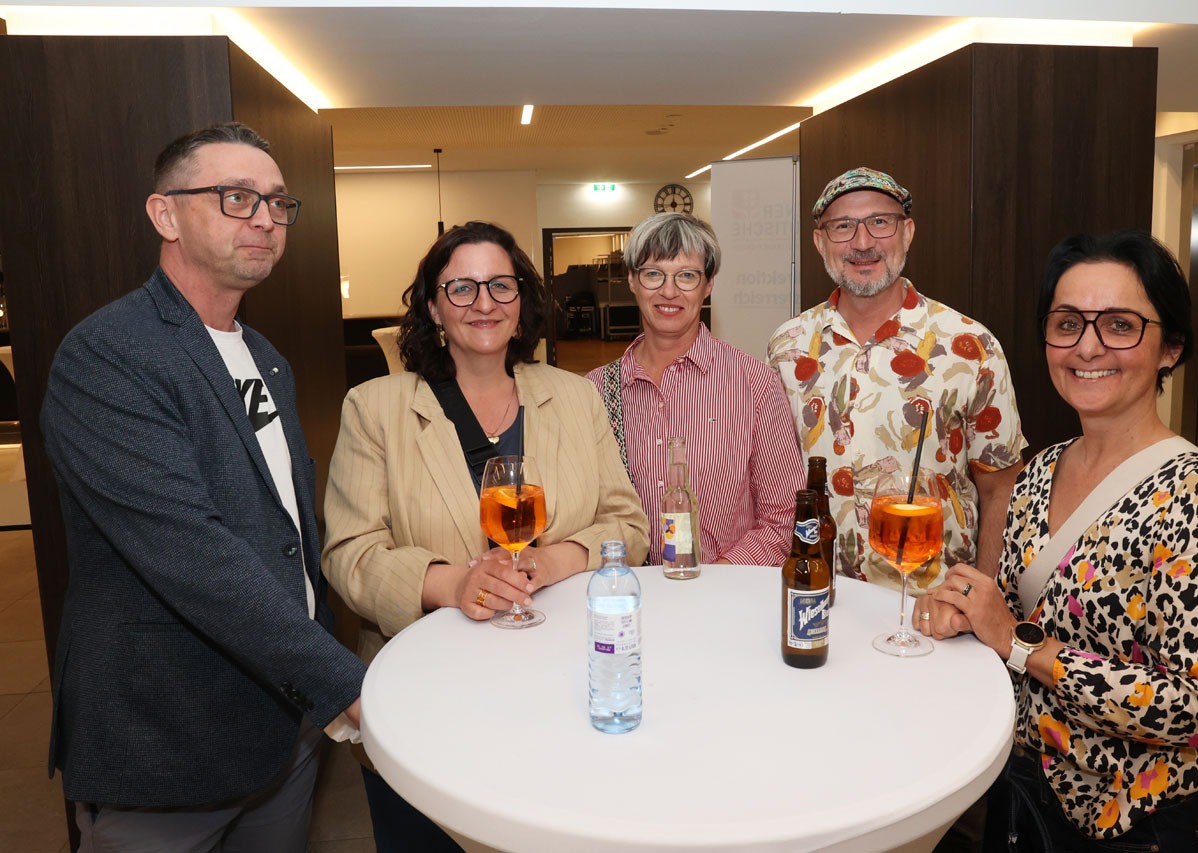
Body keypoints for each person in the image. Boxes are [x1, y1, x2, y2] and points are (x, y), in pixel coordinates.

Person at [40, 122, 366, 850]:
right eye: (236, 197)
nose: (265, 219)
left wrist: (315, 686)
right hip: (168, 735)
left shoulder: (266, 357)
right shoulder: (110, 353)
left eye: (277, 202)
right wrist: (345, 682)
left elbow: (286, 533)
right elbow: (191, 553)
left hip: (284, 730)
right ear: (165, 214)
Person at [916, 230, 1198, 851]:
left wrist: (1017, 642)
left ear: (1170, 348)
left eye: (1120, 325)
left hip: (1134, 820)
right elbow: (1015, 618)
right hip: (1021, 794)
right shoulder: (1041, 472)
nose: (1087, 346)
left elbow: (1195, 707)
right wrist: (967, 617)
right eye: (1068, 323)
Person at [322, 220, 648, 849]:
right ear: (433, 306)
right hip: (428, 698)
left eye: (501, 285)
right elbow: (349, 554)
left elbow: (627, 524)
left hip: (561, 684)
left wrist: (554, 561)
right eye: (462, 288)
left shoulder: (575, 398)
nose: (484, 303)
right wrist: (452, 584)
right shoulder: (375, 408)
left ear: (522, 301)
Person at [767, 167, 1025, 590]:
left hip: (932, 604)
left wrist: (980, 593)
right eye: (843, 226)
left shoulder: (970, 347)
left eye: (880, 222)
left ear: (907, 232)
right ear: (819, 242)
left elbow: (1001, 488)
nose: (862, 242)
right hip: (817, 595)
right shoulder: (786, 348)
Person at [587, 212, 804, 566]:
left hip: (726, 591)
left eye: (687, 275)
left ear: (709, 284)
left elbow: (784, 516)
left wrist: (712, 582)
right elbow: (581, 515)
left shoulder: (754, 383)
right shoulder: (594, 392)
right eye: (653, 273)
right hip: (627, 590)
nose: (669, 291)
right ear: (632, 280)